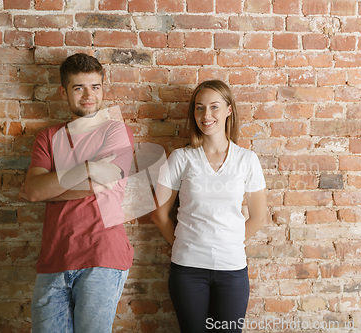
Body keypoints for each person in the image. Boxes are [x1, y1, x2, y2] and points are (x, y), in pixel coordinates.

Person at [19, 53, 134, 333]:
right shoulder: (48, 137)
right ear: (63, 91)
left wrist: (53, 187)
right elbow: (32, 190)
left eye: (95, 86)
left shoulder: (115, 131)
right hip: (54, 259)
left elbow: (106, 182)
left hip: (102, 255)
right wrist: (89, 167)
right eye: (78, 87)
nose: (88, 95)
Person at [151, 80, 267, 333]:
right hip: (188, 271)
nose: (206, 115)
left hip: (232, 271)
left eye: (214, 107)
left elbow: (258, 217)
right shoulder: (180, 158)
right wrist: (188, 245)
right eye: (200, 108)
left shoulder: (247, 160)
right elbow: (159, 215)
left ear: (229, 110)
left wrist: (228, 243)